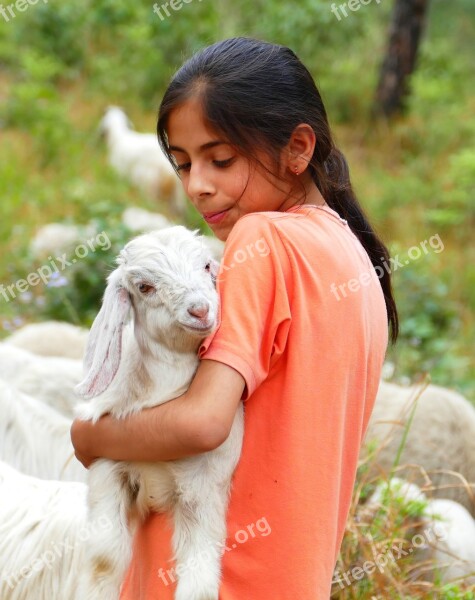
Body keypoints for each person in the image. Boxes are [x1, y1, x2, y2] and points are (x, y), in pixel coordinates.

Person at [71, 36, 398, 599]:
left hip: (217, 579)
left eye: (221, 160)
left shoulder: (262, 240)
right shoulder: (355, 260)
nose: (198, 183)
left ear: (297, 148)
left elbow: (202, 423)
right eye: (182, 164)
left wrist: (91, 435)